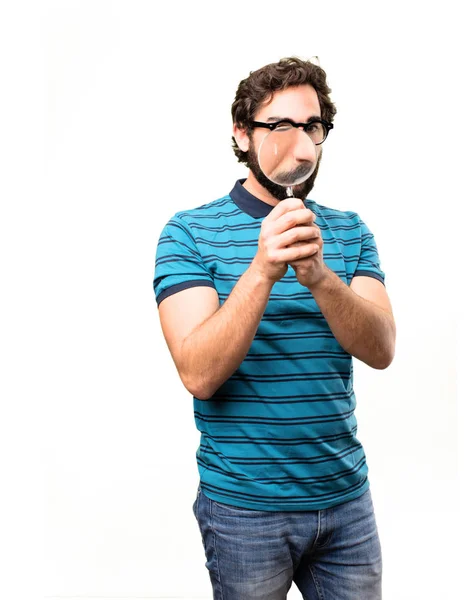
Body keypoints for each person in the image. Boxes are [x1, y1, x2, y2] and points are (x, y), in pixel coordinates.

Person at [153, 56, 396, 600]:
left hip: (346, 504)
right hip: (244, 510)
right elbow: (198, 373)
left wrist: (320, 279)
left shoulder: (349, 230)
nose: (303, 147)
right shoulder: (188, 232)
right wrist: (263, 268)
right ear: (242, 134)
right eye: (280, 127)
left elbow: (381, 348)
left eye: (313, 127)